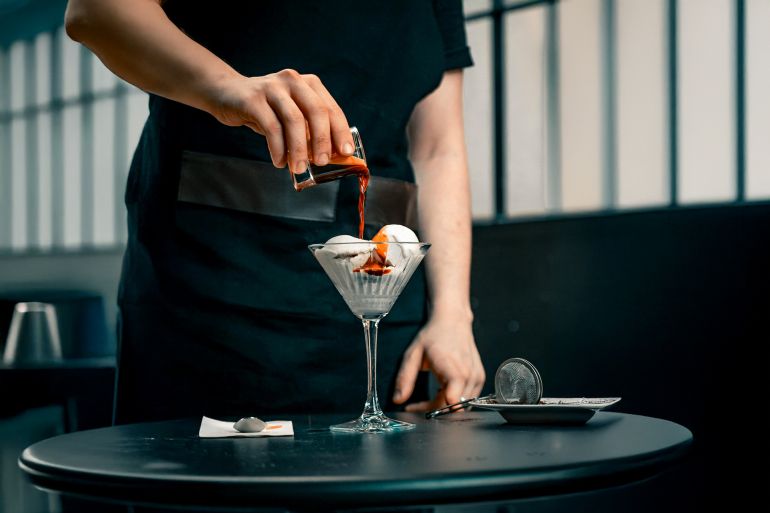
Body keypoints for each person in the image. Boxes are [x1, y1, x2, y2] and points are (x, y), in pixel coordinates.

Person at [64, 0, 485, 423]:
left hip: (382, 307)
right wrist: (227, 87)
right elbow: (95, 13)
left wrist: (452, 314)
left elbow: (438, 148)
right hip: (211, 290)